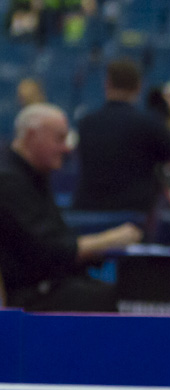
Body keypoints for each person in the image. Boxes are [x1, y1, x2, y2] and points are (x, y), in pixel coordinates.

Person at [0, 103, 142, 312]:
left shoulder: (36, 174)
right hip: (32, 298)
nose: (66, 148)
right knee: (128, 300)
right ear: (31, 136)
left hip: (57, 284)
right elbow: (51, 251)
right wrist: (110, 240)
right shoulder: (8, 181)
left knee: (133, 292)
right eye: (59, 139)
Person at [71, 58, 170, 216]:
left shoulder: (85, 123)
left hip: (86, 215)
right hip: (132, 219)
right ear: (139, 86)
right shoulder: (149, 124)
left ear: (107, 83)